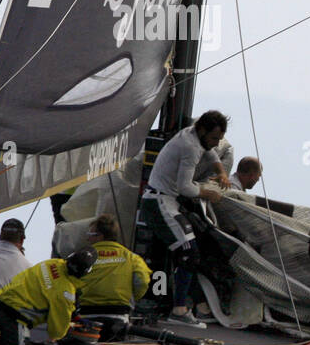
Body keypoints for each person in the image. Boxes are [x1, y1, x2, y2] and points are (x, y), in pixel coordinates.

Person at [140, 109, 229, 327]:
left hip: (166, 201)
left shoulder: (194, 135)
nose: (217, 143)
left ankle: (197, 304)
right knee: (189, 253)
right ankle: (179, 310)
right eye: (214, 137)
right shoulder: (190, 148)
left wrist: (221, 171)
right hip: (159, 202)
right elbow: (185, 187)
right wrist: (209, 193)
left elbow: (210, 152)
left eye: (220, 139)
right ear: (202, 130)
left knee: (188, 252)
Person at [0, 248, 96, 345]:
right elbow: (57, 331)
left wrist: (75, 315)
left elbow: (45, 289)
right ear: (86, 272)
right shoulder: (65, 292)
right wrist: (68, 328)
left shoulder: (52, 263)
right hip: (15, 321)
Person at [77, 214, 152, 314]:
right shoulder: (132, 257)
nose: (88, 239)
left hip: (86, 312)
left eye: (90, 235)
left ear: (100, 236)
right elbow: (142, 281)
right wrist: (131, 298)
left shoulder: (82, 256)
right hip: (119, 312)